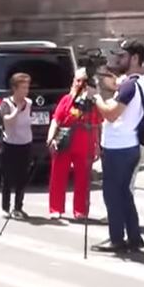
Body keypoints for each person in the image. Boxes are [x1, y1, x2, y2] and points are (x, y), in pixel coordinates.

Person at [91, 38, 144, 253]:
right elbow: (117, 85)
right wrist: (101, 76)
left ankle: (116, 238)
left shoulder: (130, 85)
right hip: (129, 145)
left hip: (119, 147)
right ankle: (134, 238)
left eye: (122, 56)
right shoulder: (141, 80)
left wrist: (96, 97)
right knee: (124, 193)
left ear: (134, 58)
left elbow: (110, 114)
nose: (118, 59)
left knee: (112, 193)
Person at [46, 68, 101, 220]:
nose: (80, 84)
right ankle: (56, 208)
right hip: (64, 141)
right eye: (78, 80)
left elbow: (96, 125)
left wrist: (97, 145)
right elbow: (56, 120)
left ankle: (80, 211)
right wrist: (50, 138)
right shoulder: (66, 100)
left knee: (83, 179)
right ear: (73, 82)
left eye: (84, 81)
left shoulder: (93, 103)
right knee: (58, 176)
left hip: (85, 144)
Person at [0, 72, 33, 219]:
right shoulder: (6, 103)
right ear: (14, 88)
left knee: (22, 178)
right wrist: (17, 110)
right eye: (23, 87)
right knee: (7, 177)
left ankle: (18, 207)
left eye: (27, 87)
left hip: (25, 144)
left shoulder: (29, 103)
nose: (26, 91)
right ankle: (5, 207)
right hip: (10, 145)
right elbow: (7, 122)